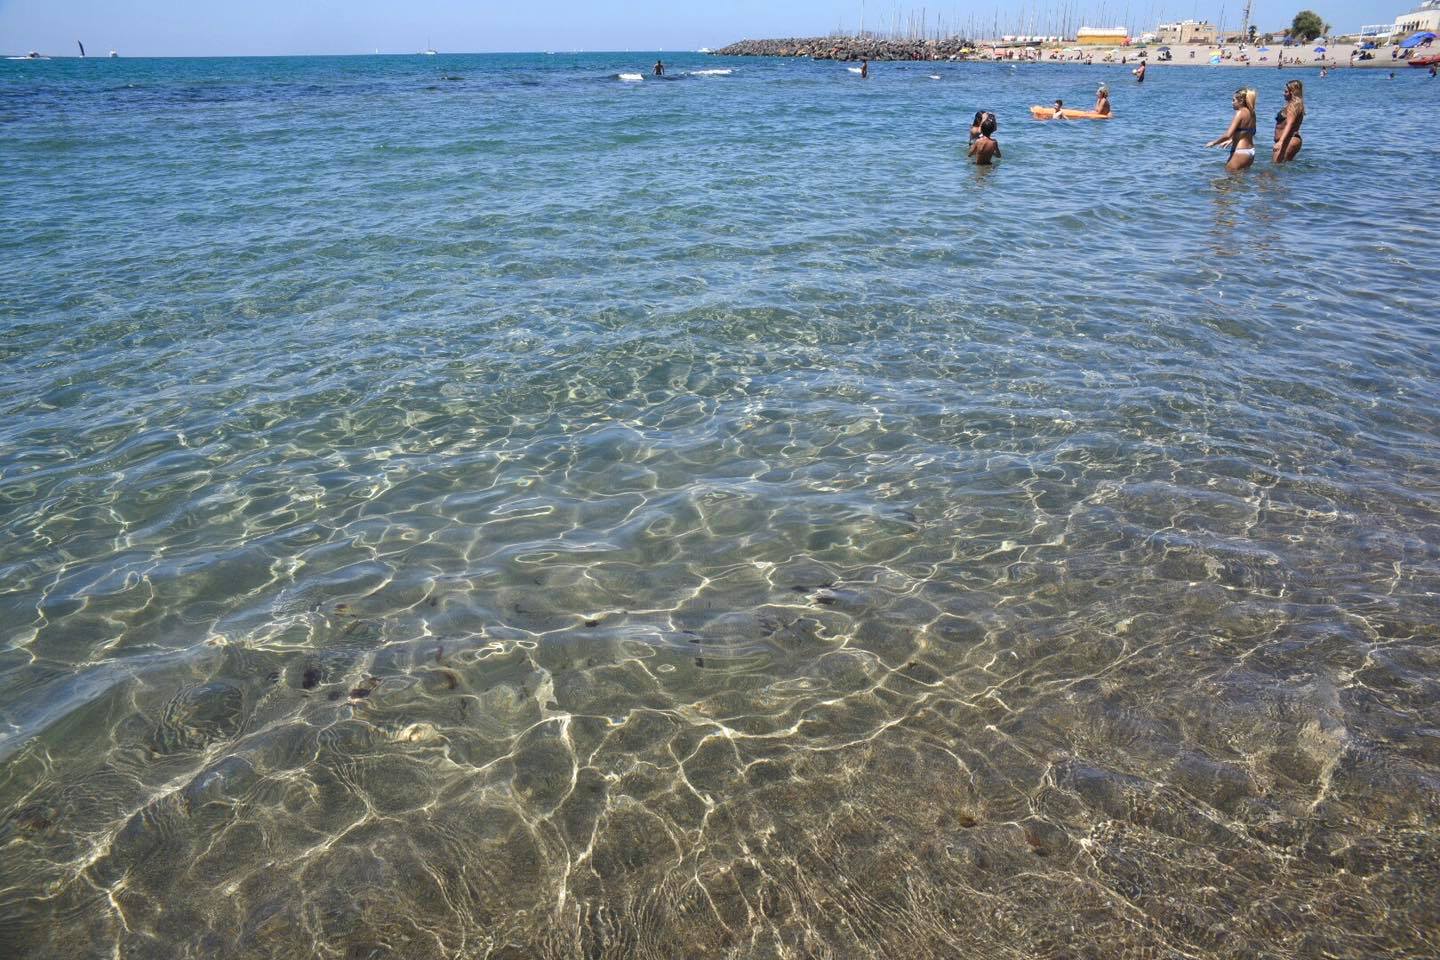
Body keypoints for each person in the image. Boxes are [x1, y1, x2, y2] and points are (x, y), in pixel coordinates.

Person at [1205, 87, 1258, 172]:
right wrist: (1232, 140)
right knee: (1239, 182)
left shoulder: (1240, 113)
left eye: (1233, 100)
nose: (1232, 103)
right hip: (1250, 152)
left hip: (1240, 151)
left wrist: (1214, 142)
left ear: (1241, 101)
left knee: (1227, 181)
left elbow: (1227, 134)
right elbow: (1251, 132)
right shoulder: (1252, 113)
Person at [1273, 79, 1305, 163]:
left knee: (1274, 169)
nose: (1283, 93)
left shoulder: (1293, 106)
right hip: (1291, 140)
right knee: (1281, 170)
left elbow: (1289, 124)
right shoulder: (1297, 105)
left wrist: (1280, 142)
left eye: (1286, 91)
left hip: (1288, 140)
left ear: (1293, 92)